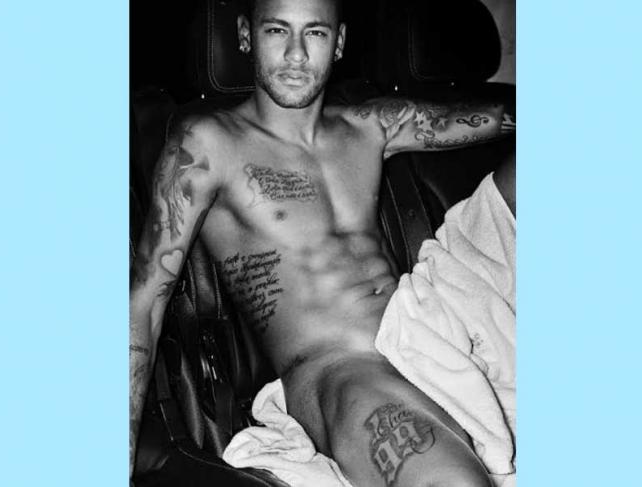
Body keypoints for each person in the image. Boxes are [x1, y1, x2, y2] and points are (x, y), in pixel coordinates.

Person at [130, 0, 515, 485]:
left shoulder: (368, 124)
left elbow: (494, 118)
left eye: (314, 33)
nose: (295, 54)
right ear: (246, 37)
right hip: (340, 369)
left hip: (424, 329)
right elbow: (144, 304)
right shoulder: (206, 143)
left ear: (339, 43)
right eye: (277, 31)